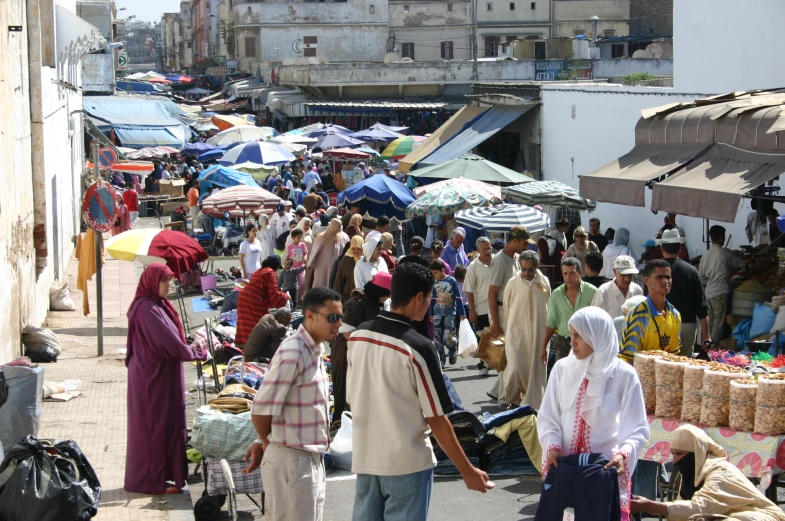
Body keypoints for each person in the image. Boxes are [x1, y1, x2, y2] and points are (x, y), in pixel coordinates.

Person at [347, 263, 494, 521]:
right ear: (418, 298)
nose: (430, 304)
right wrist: (468, 470)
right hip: (407, 464)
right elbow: (437, 418)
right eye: (429, 299)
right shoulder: (418, 348)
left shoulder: (359, 336)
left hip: (366, 459)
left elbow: (352, 398)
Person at [538, 307, 650, 521]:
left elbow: (638, 427)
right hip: (566, 469)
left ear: (597, 335)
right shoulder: (562, 369)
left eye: (579, 335)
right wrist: (552, 445)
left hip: (603, 473)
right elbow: (548, 416)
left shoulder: (624, 375)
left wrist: (623, 454)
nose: (572, 342)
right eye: (571, 335)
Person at [242, 288, 343, 521]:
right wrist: (268, 440)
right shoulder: (294, 352)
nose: (338, 323)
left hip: (308, 459)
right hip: (293, 461)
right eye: (332, 317)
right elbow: (260, 409)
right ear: (310, 316)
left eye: (340, 316)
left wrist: (262, 440)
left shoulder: (314, 349)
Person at [124, 264, 207, 494]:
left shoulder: (155, 305)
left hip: (158, 375)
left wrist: (188, 348)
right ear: (152, 282)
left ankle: (162, 477)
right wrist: (197, 353)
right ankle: (153, 482)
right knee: (155, 429)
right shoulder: (148, 309)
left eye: (170, 281)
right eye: (164, 281)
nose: (169, 286)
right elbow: (169, 343)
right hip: (153, 379)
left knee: (165, 426)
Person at [631, 425, 785, 521]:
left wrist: (651, 506)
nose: (675, 461)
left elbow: (703, 507)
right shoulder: (694, 477)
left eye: (680, 454)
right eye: (673, 454)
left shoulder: (720, 472)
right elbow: (688, 512)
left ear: (696, 453)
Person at [331, 273, 392, 421]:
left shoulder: (373, 303)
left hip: (362, 353)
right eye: (386, 295)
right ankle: (341, 421)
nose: (387, 298)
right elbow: (346, 331)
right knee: (345, 388)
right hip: (346, 352)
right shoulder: (355, 304)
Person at [487, 226, 532, 404]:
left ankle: (497, 390)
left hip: (510, 311)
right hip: (501, 311)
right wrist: (496, 323)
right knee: (511, 354)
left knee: (511, 354)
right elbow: (491, 293)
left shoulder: (514, 259)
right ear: (514, 241)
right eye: (523, 242)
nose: (525, 246)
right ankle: (504, 397)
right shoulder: (500, 261)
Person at [503, 250, 550, 408]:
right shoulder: (512, 283)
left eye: (530, 269)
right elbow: (507, 308)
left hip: (539, 335)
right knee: (515, 368)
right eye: (523, 269)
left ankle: (533, 405)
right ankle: (513, 401)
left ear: (537, 267)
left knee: (535, 370)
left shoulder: (544, 283)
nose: (526, 273)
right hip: (517, 334)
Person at [619, 259, 681, 363]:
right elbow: (627, 359)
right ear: (647, 280)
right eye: (660, 277)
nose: (665, 281)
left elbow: (673, 356)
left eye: (668, 277)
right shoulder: (637, 316)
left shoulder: (675, 315)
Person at [659, 229, 710, 357]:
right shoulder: (691, 271)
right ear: (680, 248)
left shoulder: (655, 271)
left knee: (663, 366)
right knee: (684, 366)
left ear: (662, 249)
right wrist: (706, 336)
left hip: (661, 325)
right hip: (687, 326)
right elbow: (701, 307)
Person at [539, 257, 598, 365]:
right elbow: (551, 324)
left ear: (580, 273)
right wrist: (544, 347)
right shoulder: (556, 295)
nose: (568, 277)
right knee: (563, 376)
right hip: (563, 343)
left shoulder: (593, 292)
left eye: (572, 273)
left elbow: (599, 322)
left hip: (587, 342)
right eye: (565, 274)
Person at [699, 225, 747, 342]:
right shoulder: (725, 253)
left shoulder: (706, 255)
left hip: (709, 292)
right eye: (724, 237)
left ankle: (706, 345)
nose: (724, 239)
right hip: (720, 292)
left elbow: (702, 276)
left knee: (710, 321)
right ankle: (713, 348)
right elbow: (742, 264)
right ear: (721, 238)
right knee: (718, 323)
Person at [236, 255, 290, 347]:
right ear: (276, 266)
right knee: (262, 324)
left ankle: (244, 344)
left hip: (243, 298)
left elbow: (264, 292)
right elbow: (274, 295)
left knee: (246, 323)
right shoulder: (270, 273)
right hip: (254, 301)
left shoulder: (258, 271)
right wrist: (286, 296)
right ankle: (254, 345)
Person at [464, 237, 493, 376]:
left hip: (497, 307)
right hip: (481, 308)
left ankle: (496, 362)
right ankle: (483, 364)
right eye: (485, 249)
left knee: (497, 337)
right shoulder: (473, 266)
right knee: (482, 338)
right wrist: (472, 311)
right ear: (478, 250)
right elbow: (469, 290)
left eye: (489, 248)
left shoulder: (497, 262)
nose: (488, 251)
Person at [429, 258, 466, 367]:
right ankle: (441, 358)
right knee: (437, 337)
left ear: (442, 270)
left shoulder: (452, 281)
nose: (434, 275)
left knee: (449, 336)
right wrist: (431, 313)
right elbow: (433, 299)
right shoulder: (434, 282)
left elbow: (458, 298)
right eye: (433, 273)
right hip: (437, 313)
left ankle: (452, 351)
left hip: (450, 313)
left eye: (435, 273)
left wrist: (462, 312)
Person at [306, 218, 349, 291]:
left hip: (334, 265)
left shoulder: (340, 236)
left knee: (331, 282)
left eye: (340, 226)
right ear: (333, 226)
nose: (340, 228)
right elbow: (315, 251)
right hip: (322, 265)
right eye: (338, 226)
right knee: (320, 282)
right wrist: (310, 264)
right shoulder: (322, 236)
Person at [332, 235, 364, 300]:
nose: (356, 251)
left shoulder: (366, 260)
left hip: (364, 297)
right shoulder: (346, 260)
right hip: (349, 297)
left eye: (358, 249)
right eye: (353, 249)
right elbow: (338, 281)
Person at [286, 228, 309, 299]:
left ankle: (300, 297)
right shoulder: (290, 246)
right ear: (293, 237)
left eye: (301, 237)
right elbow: (288, 256)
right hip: (293, 268)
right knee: (294, 285)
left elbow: (305, 253)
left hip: (301, 267)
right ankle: (295, 299)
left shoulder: (302, 245)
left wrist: (305, 257)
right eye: (298, 237)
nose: (300, 239)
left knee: (302, 284)